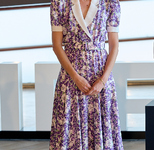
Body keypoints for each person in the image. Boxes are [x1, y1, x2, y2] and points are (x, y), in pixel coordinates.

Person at [49, 0, 124, 149]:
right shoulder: (60, 3)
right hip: (70, 77)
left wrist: (102, 81)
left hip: (100, 75)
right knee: (69, 128)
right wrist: (75, 77)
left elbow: (114, 46)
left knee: (101, 126)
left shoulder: (110, 3)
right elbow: (57, 46)